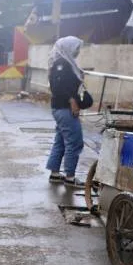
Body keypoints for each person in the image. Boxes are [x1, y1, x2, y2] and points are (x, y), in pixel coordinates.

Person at [45, 36, 85, 188]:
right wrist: (72, 100)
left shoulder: (64, 63)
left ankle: (55, 174)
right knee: (74, 142)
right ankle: (70, 177)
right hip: (64, 108)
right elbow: (58, 87)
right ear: (67, 48)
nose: (77, 51)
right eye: (75, 48)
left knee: (61, 141)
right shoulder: (61, 64)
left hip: (61, 108)